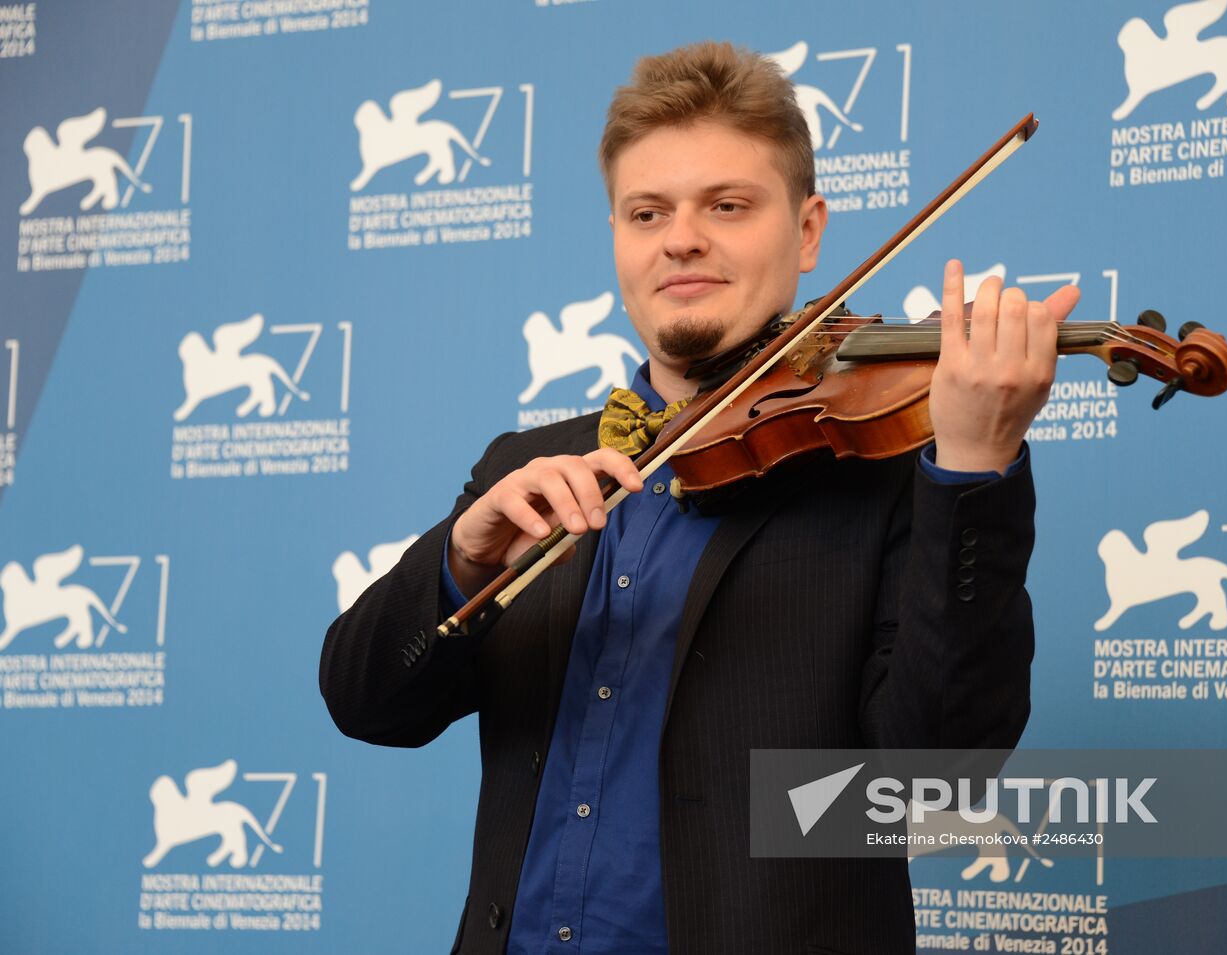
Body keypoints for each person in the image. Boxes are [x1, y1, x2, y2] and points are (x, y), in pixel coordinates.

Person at [320, 40, 1079, 955]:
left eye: (728, 205)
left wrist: (974, 462)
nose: (682, 237)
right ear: (617, 239)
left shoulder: (892, 467)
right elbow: (365, 703)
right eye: (648, 212)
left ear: (806, 231)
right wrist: (461, 559)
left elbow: (935, 787)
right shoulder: (527, 468)